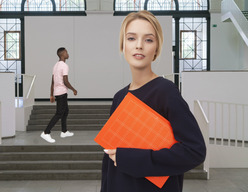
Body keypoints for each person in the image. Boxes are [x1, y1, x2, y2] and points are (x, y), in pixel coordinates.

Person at [101, 11, 206, 192]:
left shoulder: (166, 92)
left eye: (148, 40)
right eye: (131, 38)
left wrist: (131, 159)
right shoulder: (119, 97)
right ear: (123, 45)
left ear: (157, 48)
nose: (139, 46)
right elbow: (110, 161)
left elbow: (194, 151)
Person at [41, 47, 77, 143]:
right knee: (59, 113)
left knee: (65, 111)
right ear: (62, 54)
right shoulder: (64, 66)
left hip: (58, 92)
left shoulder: (55, 65)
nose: (68, 54)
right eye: (66, 52)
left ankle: (64, 131)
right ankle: (46, 132)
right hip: (61, 92)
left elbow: (52, 81)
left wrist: (51, 95)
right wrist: (73, 89)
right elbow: (65, 81)